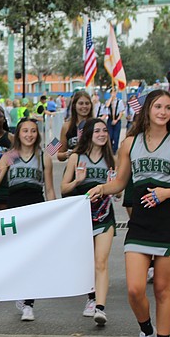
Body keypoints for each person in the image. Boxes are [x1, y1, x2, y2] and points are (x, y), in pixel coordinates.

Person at [88, 89, 170, 337]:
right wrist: (102, 188)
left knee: (162, 289)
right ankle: (146, 330)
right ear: (147, 110)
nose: (163, 112)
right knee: (134, 289)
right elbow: (121, 182)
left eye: (167, 108)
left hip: (167, 224)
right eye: (158, 107)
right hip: (140, 223)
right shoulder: (130, 143)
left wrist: (169, 193)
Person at [0, 118, 55, 321]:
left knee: (33, 256)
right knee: (18, 255)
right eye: (25, 131)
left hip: (36, 206)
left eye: (33, 131)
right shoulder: (9, 156)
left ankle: (28, 303)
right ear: (18, 134)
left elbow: (50, 189)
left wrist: (54, 211)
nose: (29, 135)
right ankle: (20, 291)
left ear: (37, 134)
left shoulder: (44, 156)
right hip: (15, 207)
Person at [61, 118, 116, 326]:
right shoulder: (76, 156)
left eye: (105, 131)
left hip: (104, 215)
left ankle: (100, 307)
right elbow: (63, 188)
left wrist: (113, 186)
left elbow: (118, 192)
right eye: (97, 131)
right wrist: (78, 180)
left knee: (101, 261)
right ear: (89, 134)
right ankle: (91, 297)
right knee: (87, 261)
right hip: (82, 216)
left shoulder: (112, 159)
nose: (102, 134)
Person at [58, 90, 94, 162]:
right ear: (74, 105)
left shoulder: (96, 125)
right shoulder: (66, 126)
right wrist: (67, 154)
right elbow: (59, 155)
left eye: (87, 103)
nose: (84, 106)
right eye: (81, 103)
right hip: (73, 168)